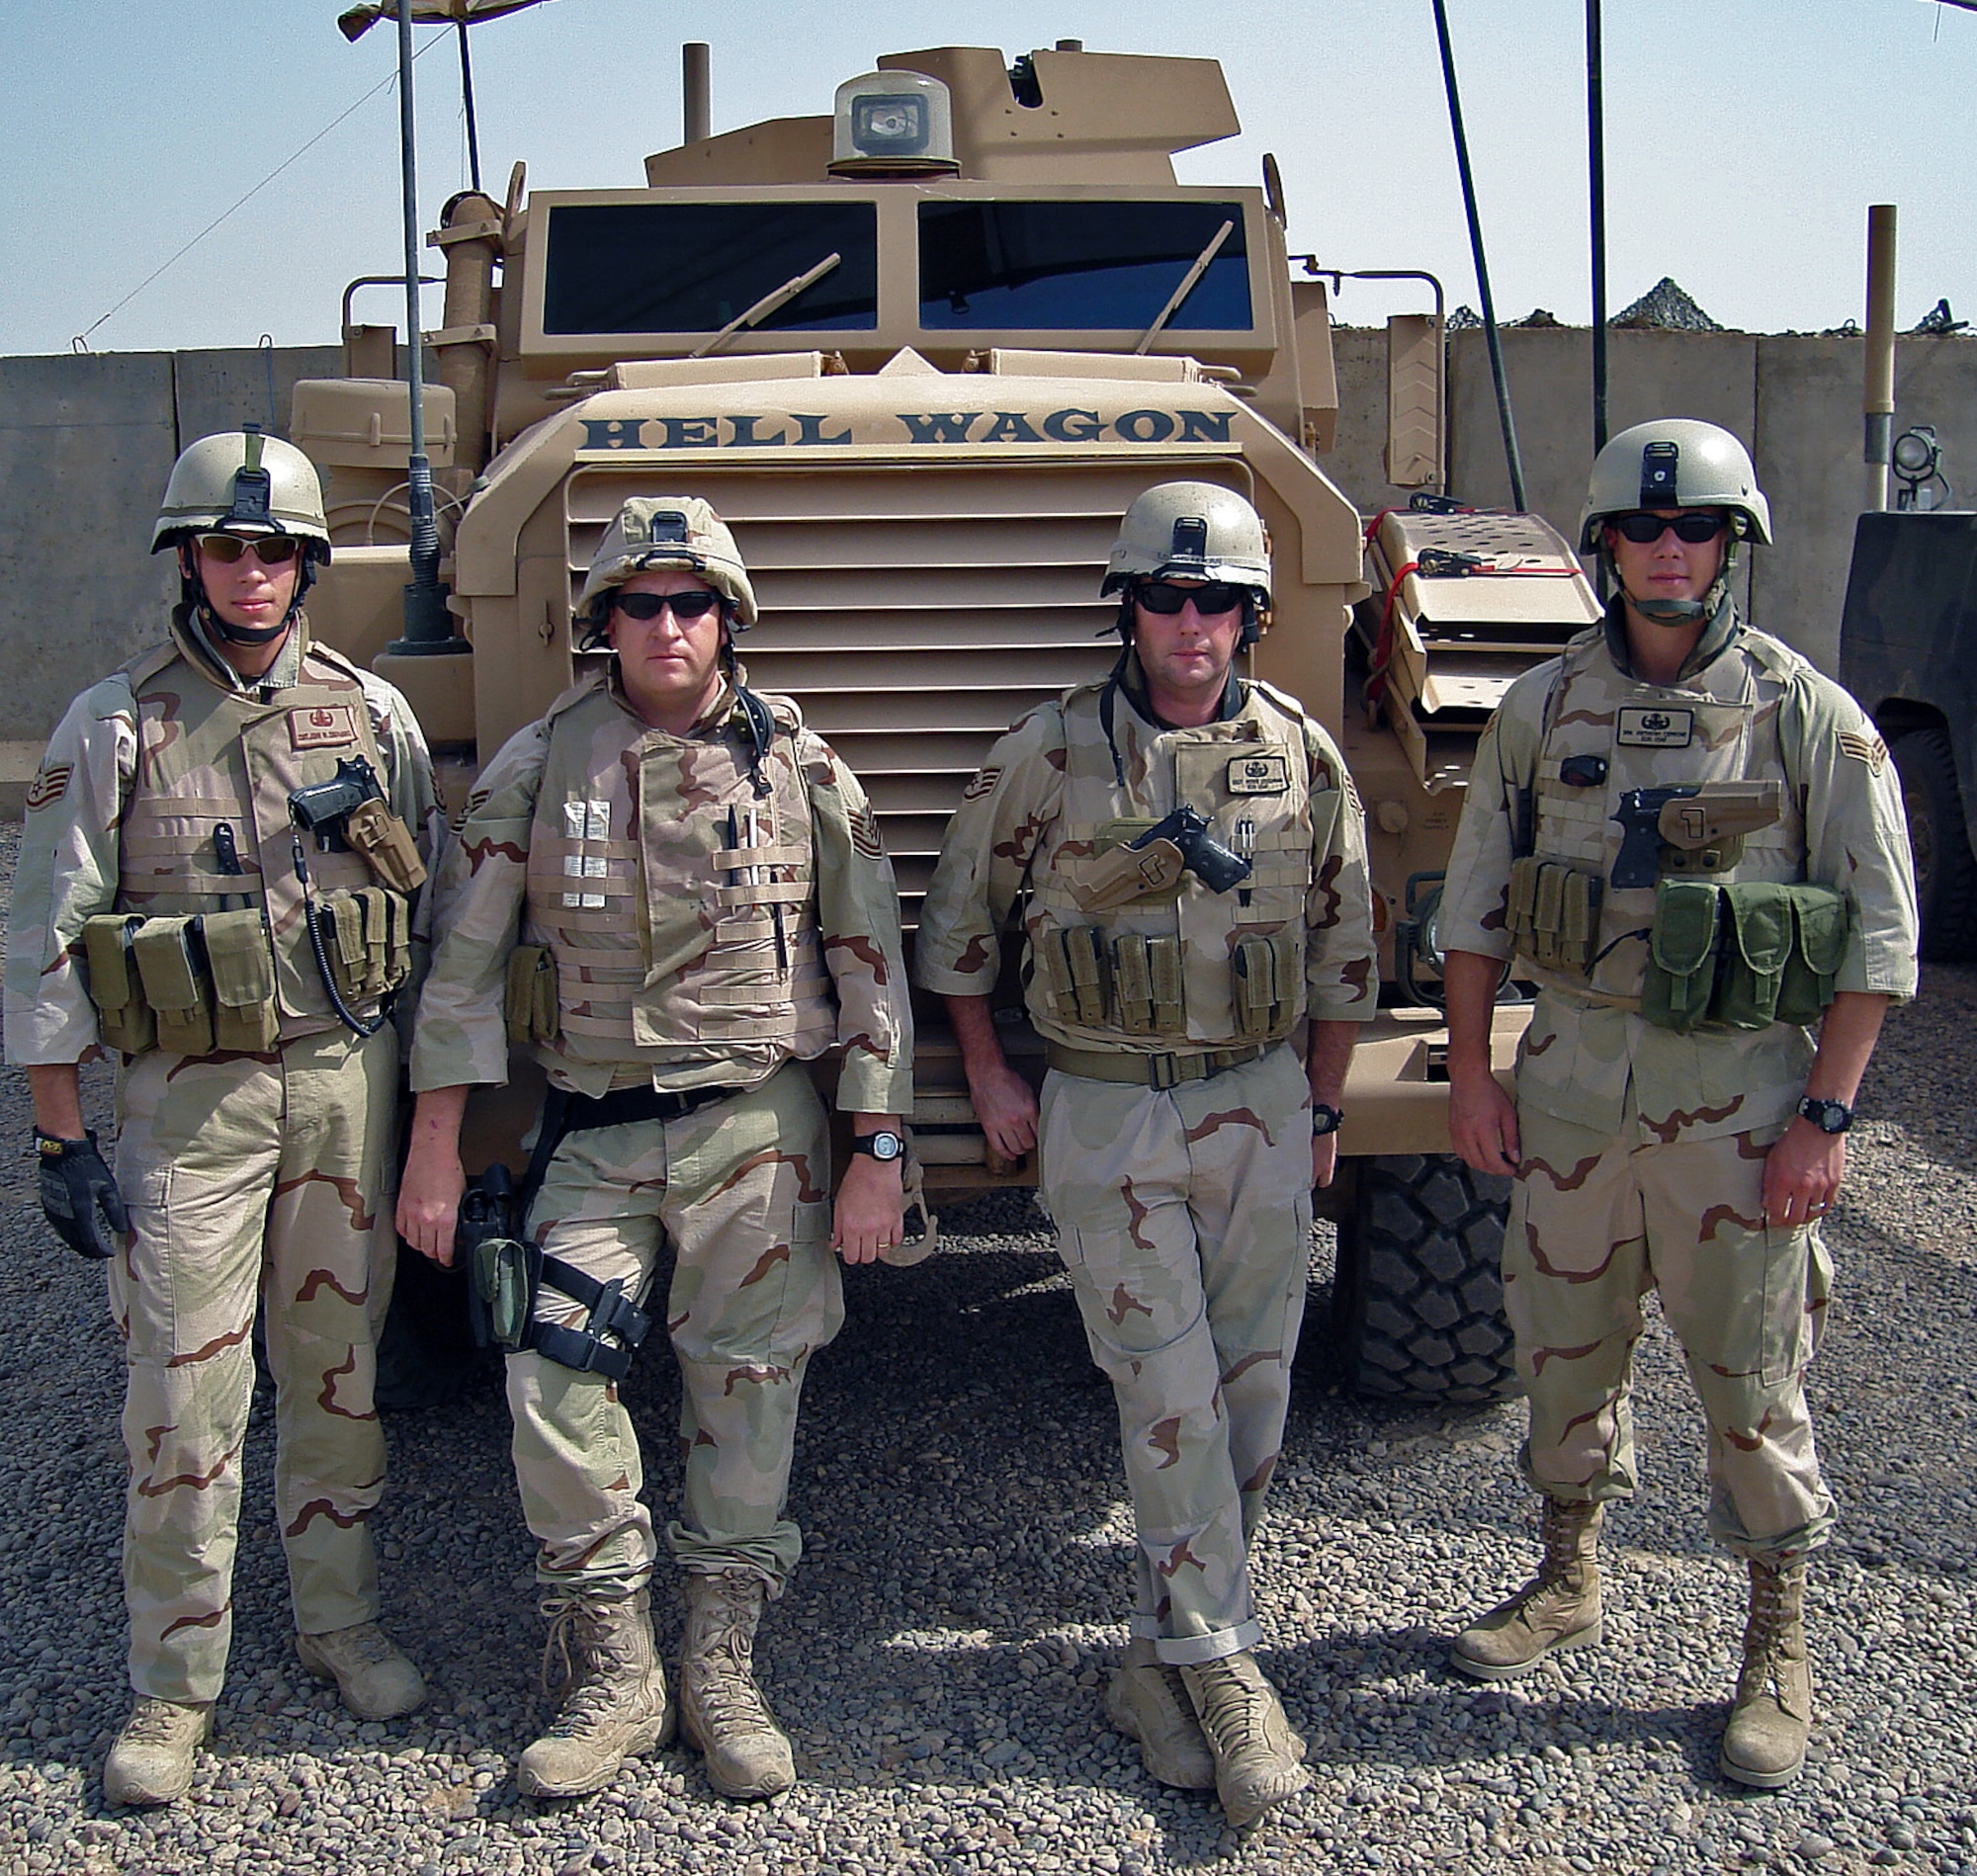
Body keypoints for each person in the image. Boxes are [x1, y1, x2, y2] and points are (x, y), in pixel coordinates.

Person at [396, 495, 914, 1802]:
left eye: (692, 604)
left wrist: (879, 1146)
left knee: (751, 1389)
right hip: (596, 1133)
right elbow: (459, 973)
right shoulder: (538, 763)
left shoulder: (800, 768)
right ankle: (615, 1673)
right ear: (605, 623)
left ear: (726, 619)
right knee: (552, 1387)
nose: (669, 627)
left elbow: (870, 970)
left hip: (762, 1132)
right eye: (642, 604)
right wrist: (436, 1148)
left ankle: (722, 1668)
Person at [1436, 419, 1918, 1788]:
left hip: (1741, 1107)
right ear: (1604, 549)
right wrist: (1472, 1074)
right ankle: (1569, 1575)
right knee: (1564, 1346)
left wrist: (1825, 1119)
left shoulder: (1806, 716)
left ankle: (1776, 1642)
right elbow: (1474, 910)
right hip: (1575, 1090)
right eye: (1642, 530)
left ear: (1730, 547)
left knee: (1751, 1379)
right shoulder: (1539, 711)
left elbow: (1880, 939)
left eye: (1694, 528)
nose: (1667, 550)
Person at [913, 482, 1377, 1828]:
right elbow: (957, 930)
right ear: (1129, 609)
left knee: (1253, 1391)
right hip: (1108, 1112)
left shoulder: (1300, 753)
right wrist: (992, 1073)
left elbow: (1346, 949)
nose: (1192, 624)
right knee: (1166, 1389)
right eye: (1166, 599)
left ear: (1250, 616)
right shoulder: (1048, 755)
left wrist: (1325, 1103)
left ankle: (1154, 1655)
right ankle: (1229, 1673)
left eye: (1217, 601)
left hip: (1261, 1101)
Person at [4, 428, 439, 1806]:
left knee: (337, 1370)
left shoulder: (371, 713)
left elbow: (419, 904)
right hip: (186, 1097)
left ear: (310, 563)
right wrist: (60, 1129)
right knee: (182, 1397)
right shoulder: (115, 722)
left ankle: (338, 1624)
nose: (253, 572)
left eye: (278, 550)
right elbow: (46, 939)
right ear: (188, 558)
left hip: (339, 1081)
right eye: (227, 547)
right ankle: (174, 1685)